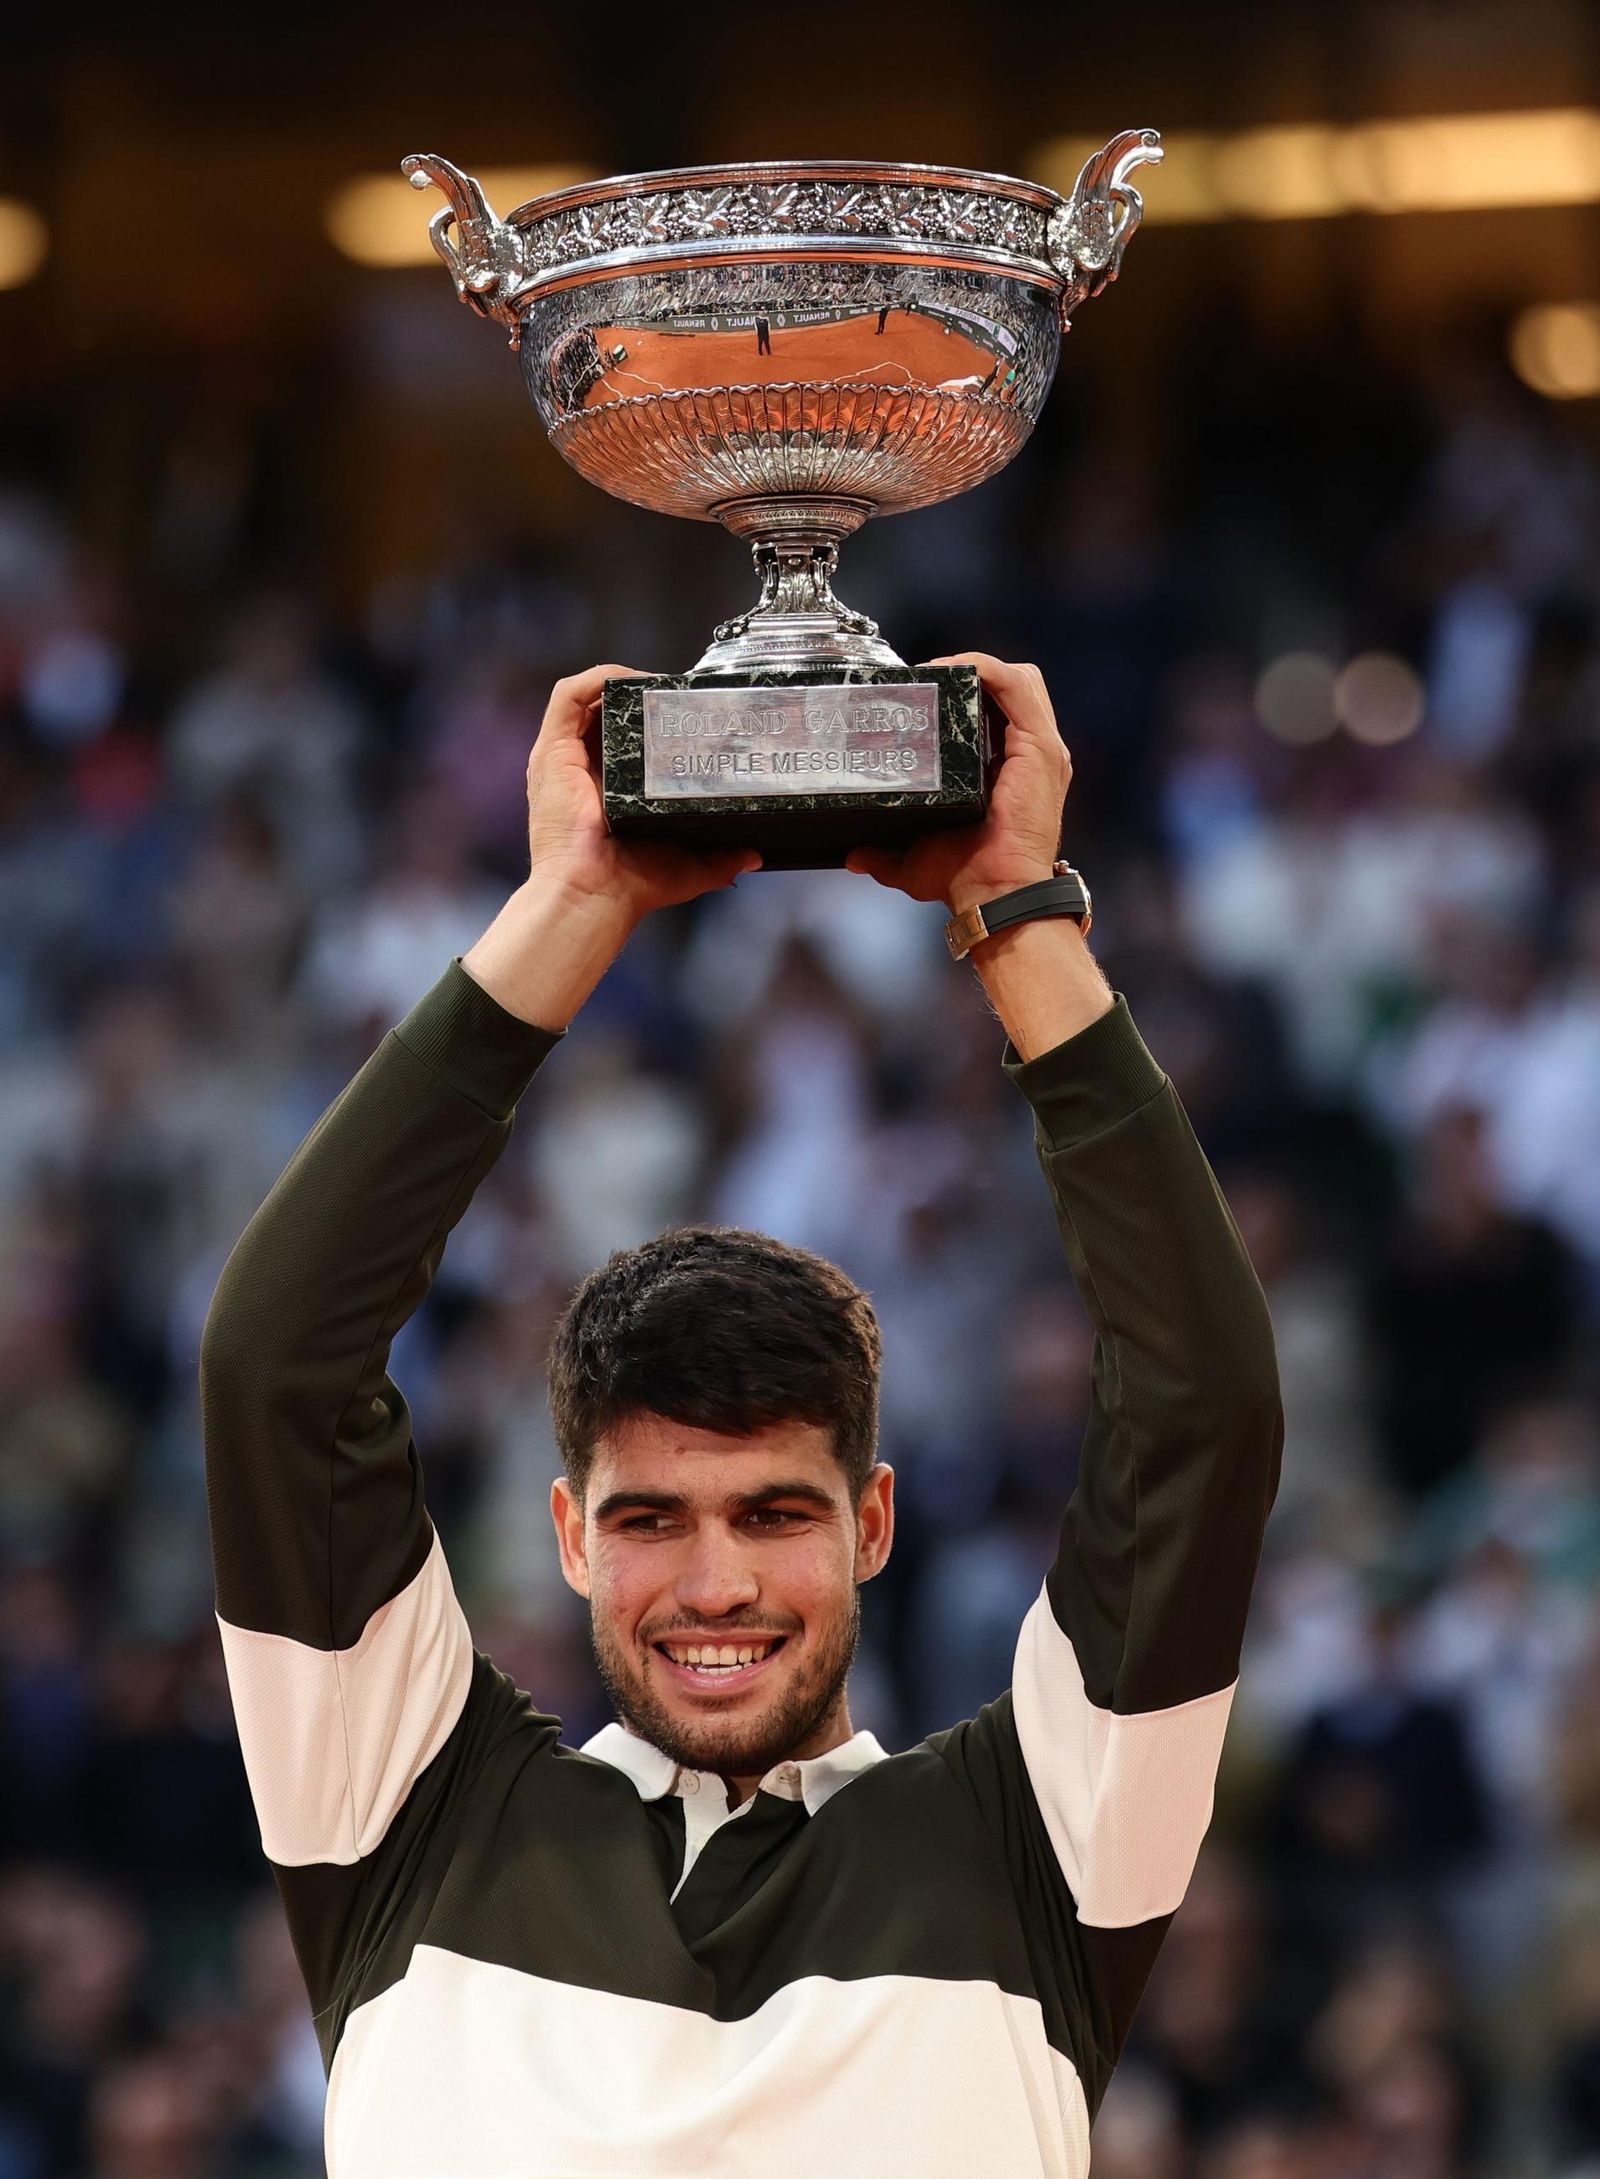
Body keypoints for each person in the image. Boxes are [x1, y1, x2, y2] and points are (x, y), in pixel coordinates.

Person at [200, 655, 1283, 2179]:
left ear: (875, 1521)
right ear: (570, 1534)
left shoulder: (1043, 1843)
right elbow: (275, 1369)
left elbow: (1204, 1414)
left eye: (774, 1512)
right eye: (652, 1518)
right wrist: (572, 907)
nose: (715, 1586)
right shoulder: (405, 1817)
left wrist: (1019, 917)